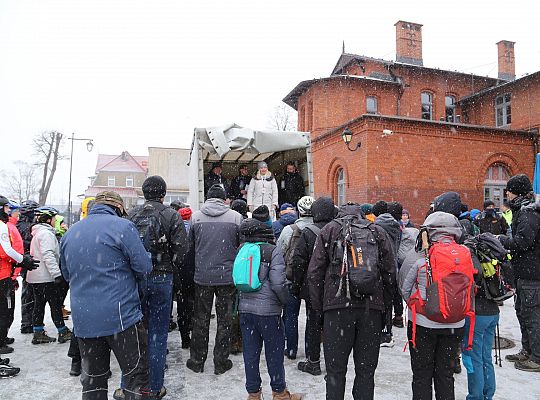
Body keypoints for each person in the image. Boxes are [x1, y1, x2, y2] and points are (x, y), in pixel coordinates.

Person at [60, 191, 153, 400]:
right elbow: (144, 266)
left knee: (93, 379)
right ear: (118, 208)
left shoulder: (70, 233)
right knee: (135, 376)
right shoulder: (123, 227)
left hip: (84, 320)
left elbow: (66, 274)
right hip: (122, 318)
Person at [307, 202, 395, 400]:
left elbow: (314, 274)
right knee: (366, 371)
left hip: (336, 308)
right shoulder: (377, 231)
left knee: (335, 371)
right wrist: (384, 307)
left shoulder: (329, 230)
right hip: (370, 308)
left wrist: (320, 308)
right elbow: (390, 273)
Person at [121, 176, 188, 399]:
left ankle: (129, 384)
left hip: (136, 279)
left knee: (134, 333)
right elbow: (182, 250)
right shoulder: (171, 215)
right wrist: (168, 266)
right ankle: (154, 386)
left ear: (143, 192)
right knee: (158, 334)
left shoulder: (131, 215)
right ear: (164, 193)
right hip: (162, 277)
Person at [399, 211, 469, 399]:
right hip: (455, 324)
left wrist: (422, 306)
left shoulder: (419, 255)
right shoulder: (465, 253)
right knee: (445, 374)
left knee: (422, 374)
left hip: (423, 324)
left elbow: (404, 287)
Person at [237, 206, 302, 400]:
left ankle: (254, 394)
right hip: (268, 312)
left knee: (250, 353)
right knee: (274, 353)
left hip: (245, 310)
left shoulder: (242, 249)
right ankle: (280, 393)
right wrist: (285, 301)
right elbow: (278, 283)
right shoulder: (272, 251)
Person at [186, 184, 242, 375]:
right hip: (227, 278)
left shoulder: (196, 217)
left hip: (203, 277)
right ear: (224, 198)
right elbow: (239, 245)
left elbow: (190, 246)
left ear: (208, 198)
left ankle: (196, 361)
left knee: (200, 319)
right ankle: (221, 361)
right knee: (225, 320)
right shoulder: (235, 217)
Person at [498, 174, 540, 372]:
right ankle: (528, 350)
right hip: (524, 273)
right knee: (523, 313)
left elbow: (523, 243)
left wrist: (501, 240)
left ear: (518, 192)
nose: (507, 193)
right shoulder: (523, 211)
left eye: (510, 190)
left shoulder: (528, 214)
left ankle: (537, 357)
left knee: (532, 316)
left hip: (533, 275)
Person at [290, 196, 335, 376]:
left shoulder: (308, 232)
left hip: (313, 286)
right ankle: (333, 363)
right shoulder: (338, 229)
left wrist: (296, 284)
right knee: (333, 324)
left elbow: (298, 262)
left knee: (314, 323)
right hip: (334, 286)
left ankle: (313, 361)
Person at [0, 195, 39, 377]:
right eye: (8, 209)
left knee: (5, 311)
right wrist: (23, 260)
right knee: (4, 311)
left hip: (6, 273)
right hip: (3, 275)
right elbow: (6, 250)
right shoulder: (3, 226)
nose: (9, 212)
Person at [27, 206, 72, 345]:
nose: (55, 221)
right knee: (55, 304)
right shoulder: (46, 234)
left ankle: (38, 332)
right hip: (45, 276)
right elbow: (48, 255)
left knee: (39, 304)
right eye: (53, 218)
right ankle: (62, 331)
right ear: (48, 219)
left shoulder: (38, 233)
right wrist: (57, 274)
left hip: (36, 276)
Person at [277, 195, 315, 359]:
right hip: (313, 279)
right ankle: (310, 349)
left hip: (291, 276)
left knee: (290, 315)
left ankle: (291, 349)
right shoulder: (320, 230)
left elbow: (279, 253)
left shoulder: (289, 230)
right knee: (311, 316)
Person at [376, 201, 403, 346]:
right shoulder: (397, 227)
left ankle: (379, 331)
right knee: (389, 300)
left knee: (380, 301)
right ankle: (387, 332)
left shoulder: (376, 227)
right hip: (393, 266)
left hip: (380, 266)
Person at [16, 199, 39, 334]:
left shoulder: (20, 225)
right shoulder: (29, 226)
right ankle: (27, 323)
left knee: (28, 293)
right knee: (30, 293)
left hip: (25, 262)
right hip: (28, 262)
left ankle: (28, 322)